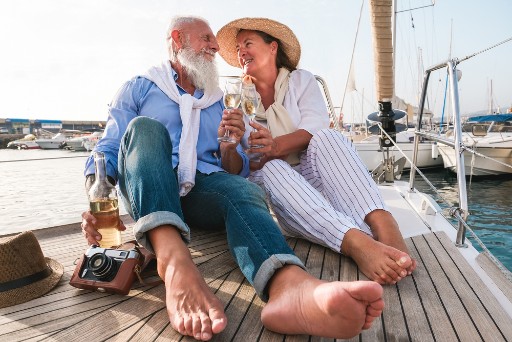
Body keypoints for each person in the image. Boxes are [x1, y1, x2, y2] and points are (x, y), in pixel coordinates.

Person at [80, 15, 384, 341]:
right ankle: (173, 262)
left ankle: (288, 286)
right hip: (150, 184)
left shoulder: (218, 101)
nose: (214, 47)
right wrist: (96, 199)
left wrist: (229, 146)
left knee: (242, 190)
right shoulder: (140, 87)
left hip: (201, 190)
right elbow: (109, 149)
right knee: (145, 129)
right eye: (207, 38)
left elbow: (235, 168)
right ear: (178, 39)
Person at [216, 17, 417, 285]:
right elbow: (239, 169)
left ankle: (384, 224)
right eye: (238, 47)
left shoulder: (301, 81)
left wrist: (275, 145)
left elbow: (314, 128)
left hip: (317, 174)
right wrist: (232, 145)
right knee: (271, 167)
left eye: (248, 43)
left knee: (328, 137)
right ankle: (356, 243)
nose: (241, 52)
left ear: (273, 47)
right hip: (284, 192)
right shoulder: (237, 99)